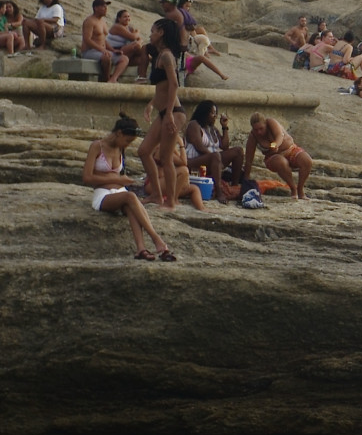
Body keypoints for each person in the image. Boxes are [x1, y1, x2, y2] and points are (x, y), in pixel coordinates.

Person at [82, 114, 175, 260]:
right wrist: (117, 178)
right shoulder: (97, 146)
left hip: (119, 192)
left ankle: (141, 249)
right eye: (127, 140)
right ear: (118, 133)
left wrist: (123, 181)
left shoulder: (120, 149)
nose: (127, 145)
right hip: (103, 195)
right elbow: (87, 177)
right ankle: (157, 240)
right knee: (130, 196)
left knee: (131, 206)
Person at [135, 17, 187, 208]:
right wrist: (151, 104)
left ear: (161, 33)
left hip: (173, 112)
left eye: (153, 30)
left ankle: (171, 201)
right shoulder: (158, 56)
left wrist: (170, 114)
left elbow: (174, 84)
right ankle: (157, 195)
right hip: (164, 111)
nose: (150, 33)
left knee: (165, 159)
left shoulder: (166, 56)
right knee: (144, 151)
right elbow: (162, 88)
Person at [246, 113, 314, 200]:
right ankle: (293, 188)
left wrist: (275, 145)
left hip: (290, 150)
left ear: (265, 124)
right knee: (281, 162)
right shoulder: (253, 136)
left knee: (307, 160)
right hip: (273, 158)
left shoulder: (271, 123)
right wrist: (246, 178)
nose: (259, 132)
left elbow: (279, 135)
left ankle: (300, 189)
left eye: (261, 129)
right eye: (256, 130)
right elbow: (249, 158)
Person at [184, 100, 245, 191]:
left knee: (238, 151)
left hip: (213, 160)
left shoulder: (213, 129)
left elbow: (225, 146)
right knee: (216, 155)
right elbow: (199, 147)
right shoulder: (194, 125)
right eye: (212, 113)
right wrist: (216, 158)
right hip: (194, 161)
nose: (215, 116)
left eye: (216, 113)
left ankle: (234, 185)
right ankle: (219, 190)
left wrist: (224, 127)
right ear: (204, 113)